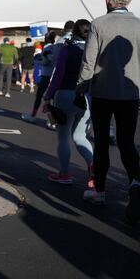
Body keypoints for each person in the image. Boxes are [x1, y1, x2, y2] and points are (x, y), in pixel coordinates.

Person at [76, 0, 140, 223]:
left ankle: (99, 191)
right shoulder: (138, 25)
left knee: (101, 142)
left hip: (102, 92)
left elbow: (88, 62)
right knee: (127, 142)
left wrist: (80, 88)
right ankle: (135, 181)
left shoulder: (99, 24)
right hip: (130, 94)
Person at [42, 20, 93, 187]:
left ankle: (64, 174)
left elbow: (58, 77)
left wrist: (48, 96)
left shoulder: (67, 49)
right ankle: (94, 170)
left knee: (63, 137)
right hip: (87, 97)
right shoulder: (94, 50)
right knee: (80, 136)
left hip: (66, 94)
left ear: (74, 32)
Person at [22, 31, 57, 125]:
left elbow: (46, 62)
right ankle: (52, 120)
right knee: (52, 98)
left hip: (46, 75)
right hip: (54, 75)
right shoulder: (56, 46)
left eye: (45, 37)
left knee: (39, 96)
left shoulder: (47, 47)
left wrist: (39, 62)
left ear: (47, 39)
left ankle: (33, 116)